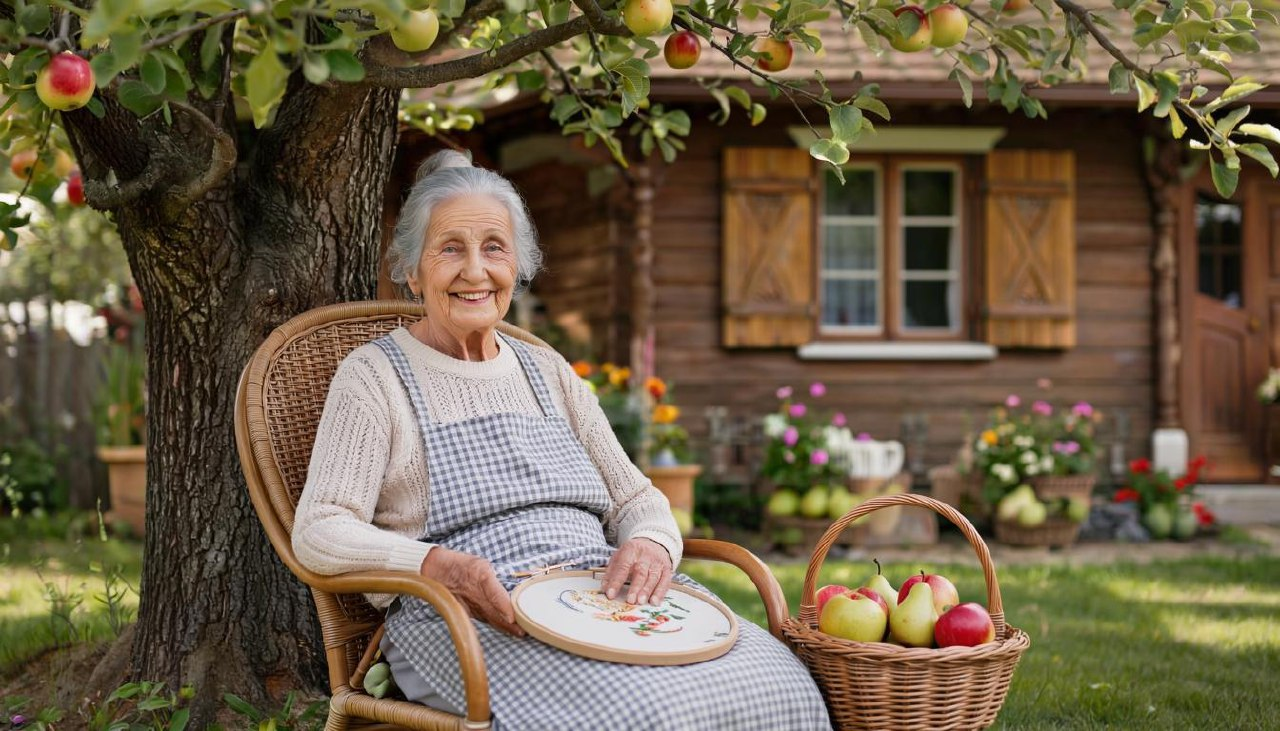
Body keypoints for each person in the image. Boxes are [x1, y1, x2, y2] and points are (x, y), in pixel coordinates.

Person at [293, 149, 830, 729]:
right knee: (640, 717)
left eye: (494, 248)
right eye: (450, 248)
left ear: (518, 265)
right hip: (465, 617)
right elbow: (320, 528)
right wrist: (439, 566)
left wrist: (650, 545)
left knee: (784, 686)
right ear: (410, 269)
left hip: (597, 595)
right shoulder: (375, 375)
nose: (476, 271)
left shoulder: (544, 370)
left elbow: (638, 500)